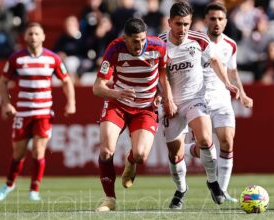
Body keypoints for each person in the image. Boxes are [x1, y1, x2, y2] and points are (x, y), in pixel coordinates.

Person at [158, 1, 239, 209]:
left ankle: (213, 182)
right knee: (175, 154)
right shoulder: (159, 44)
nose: (182, 29)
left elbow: (214, 60)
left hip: (195, 98)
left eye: (186, 24)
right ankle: (181, 189)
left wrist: (227, 83)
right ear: (169, 23)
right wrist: (163, 98)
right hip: (171, 103)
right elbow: (159, 75)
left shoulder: (199, 39)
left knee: (205, 137)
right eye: (178, 24)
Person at [93, 18, 171, 212]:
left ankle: (131, 161)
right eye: (135, 41)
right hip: (117, 104)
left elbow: (163, 73)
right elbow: (97, 87)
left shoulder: (159, 47)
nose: (139, 45)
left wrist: (165, 96)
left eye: (142, 40)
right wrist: (116, 93)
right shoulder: (114, 49)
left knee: (141, 155)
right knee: (106, 150)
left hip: (145, 108)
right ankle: (109, 198)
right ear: (125, 38)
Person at [0, 23, 76, 201]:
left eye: (37, 33)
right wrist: (6, 104)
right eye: (30, 33)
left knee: (38, 151)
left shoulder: (52, 58)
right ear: (25, 36)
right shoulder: (16, 58)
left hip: (43, 113)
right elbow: (2, 82)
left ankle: (34, 190)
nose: (33, 37)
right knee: (18, 153)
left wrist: (71, 102)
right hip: (22, 113)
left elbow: (66, 80)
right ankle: (9, 184)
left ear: (43, 37)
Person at [183, 2, 253, 203]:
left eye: (220, 19)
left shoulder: (230, 44)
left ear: (226, 22)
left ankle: (221, 190)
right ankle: (183, 149)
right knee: (204, 147)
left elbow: (232, 71)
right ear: (205, 20)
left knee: (228, 142)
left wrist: (243, 93)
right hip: (199, 99)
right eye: (212, 19)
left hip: (222, 99)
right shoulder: (194, 42)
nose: (216, 23)